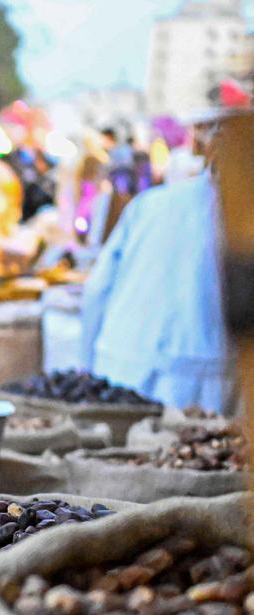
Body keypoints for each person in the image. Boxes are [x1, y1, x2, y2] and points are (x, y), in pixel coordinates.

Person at [81, 121, 235, 414]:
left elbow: (96, 291)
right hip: (204, 389)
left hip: (124, 371)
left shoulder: (151, 204)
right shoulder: (238, 221)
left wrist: (88, 371)